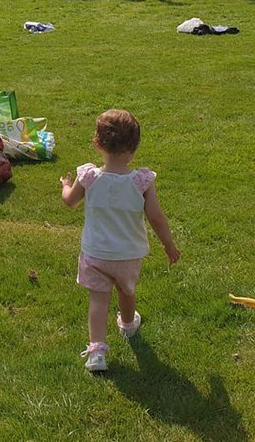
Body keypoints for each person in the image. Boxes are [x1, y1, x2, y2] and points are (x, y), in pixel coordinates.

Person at [59, 109, 180, 373]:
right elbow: (157, 218)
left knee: (99, 300)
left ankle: (97, 352)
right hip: (128, 255)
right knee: (127, 291)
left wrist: (65, 184)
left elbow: (69, 201)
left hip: (96, 253)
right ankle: (127, 324)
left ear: (98, 143)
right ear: (135, 146)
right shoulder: (142, 182)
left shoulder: (88, 176)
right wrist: (168, 245)